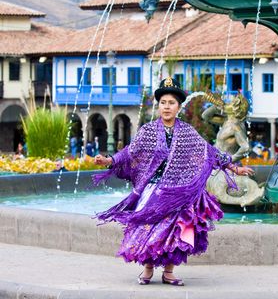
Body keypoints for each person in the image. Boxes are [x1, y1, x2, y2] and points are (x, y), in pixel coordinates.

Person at [92, 77, 253, 286]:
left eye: (171, 103)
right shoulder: (148, 131)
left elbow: (209, 152)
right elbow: (129, 153)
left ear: (178, 107)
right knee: (148, 229)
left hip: (178, 190)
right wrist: (109, 160)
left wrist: (234, 167)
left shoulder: (187, 132)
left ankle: (169, 272)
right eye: (163, 103)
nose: (167, 107)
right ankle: (148, 269)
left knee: (175, 231)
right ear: (159, 106)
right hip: (152, 190)